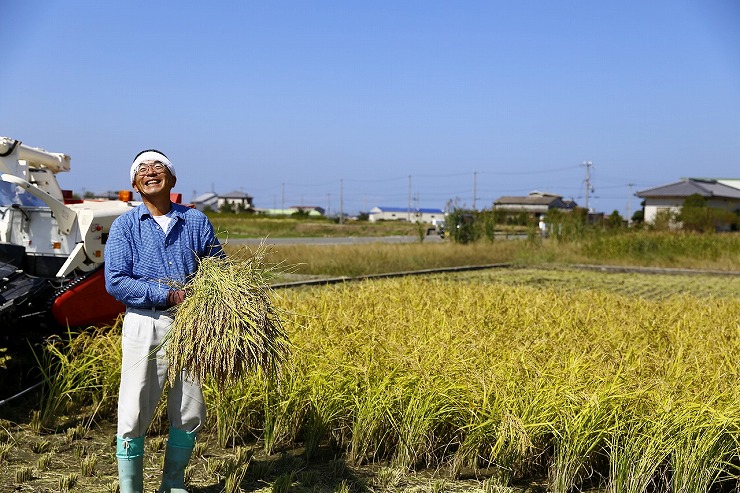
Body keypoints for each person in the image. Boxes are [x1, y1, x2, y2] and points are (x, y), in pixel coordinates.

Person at [105, 149, 223, 493]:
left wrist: (223, 294)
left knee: (190, 406)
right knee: (134, 407)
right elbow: (116, 280)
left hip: (191, 325)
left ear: (171, 179)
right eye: (142, 168)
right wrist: (167, 295)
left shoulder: (195, 221)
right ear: (134, 183)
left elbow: (217, 266)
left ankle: (172, 483)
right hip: (146, 323)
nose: (150, 171)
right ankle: (131, 488)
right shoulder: (126, 225)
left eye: (158, 166)